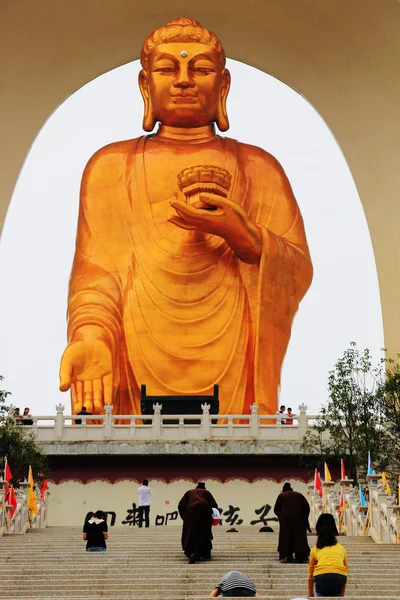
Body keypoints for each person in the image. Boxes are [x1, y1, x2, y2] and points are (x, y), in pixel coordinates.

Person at [59, 17, 313, 420]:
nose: (183, 80)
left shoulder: (259, 169)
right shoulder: (109, 167)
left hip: (232, 358)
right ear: (145, 86)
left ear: (223, 86)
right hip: (136, 352)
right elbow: (95, 275)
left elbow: (298, 268)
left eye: (200, 69)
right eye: (166, 68)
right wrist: (90, 335)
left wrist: (250, 240)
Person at [178, 482, 218, 564]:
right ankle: (203, 552)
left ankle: (192, 552)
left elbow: (181, 505)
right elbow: (214, 506)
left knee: (190, 532)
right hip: (204, 510)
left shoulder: (189, 492)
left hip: (190, 511)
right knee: (203, 531)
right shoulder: (206, 493)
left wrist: (185, 517)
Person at [274, 482, 310, 563]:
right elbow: (306, 507)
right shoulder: (299, 495)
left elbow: (276, 509)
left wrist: (281, 517)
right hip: (299, 519)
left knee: (286, 537)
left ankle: (287, 555)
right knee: (299, 537)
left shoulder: (281, 496)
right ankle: (300, 556)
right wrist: (304, 517)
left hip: (285, 520)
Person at [308, 526, 348, 597]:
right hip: (339, 577)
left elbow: (310, 571)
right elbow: (345, 569)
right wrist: (342, 596)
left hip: (321, 577)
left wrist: (311, 594)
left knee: (321, 594)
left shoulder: (315, 549)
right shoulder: (341, 548)